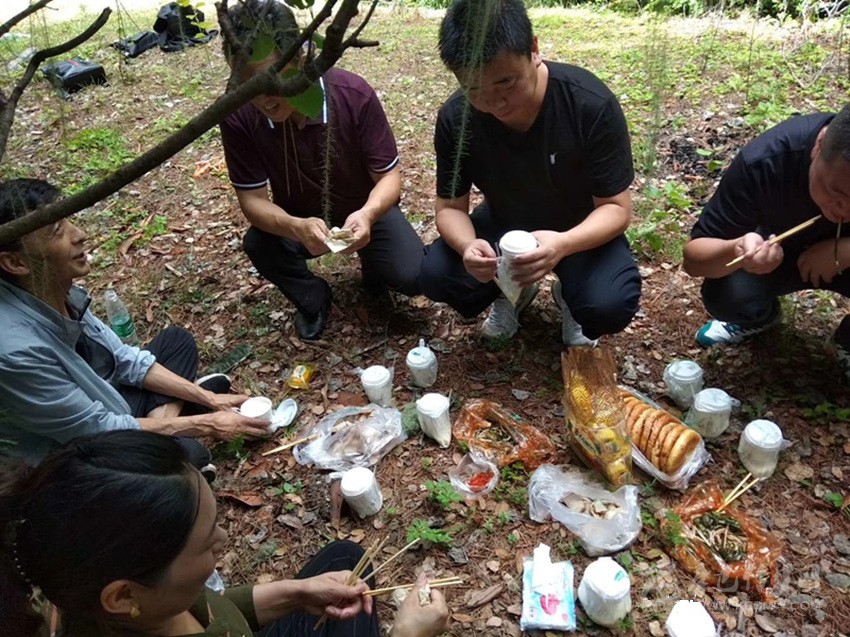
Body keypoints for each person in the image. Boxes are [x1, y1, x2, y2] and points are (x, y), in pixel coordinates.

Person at [0, 430, 450, 637]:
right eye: (205, 541)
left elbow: (209, 606)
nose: (222, 541)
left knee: (344, 558)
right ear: (122, 596)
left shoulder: (135, 598)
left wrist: (296, 595)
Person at [0, 179, 269, 469]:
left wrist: (211, 399)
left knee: (177, 342)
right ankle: (166, 435)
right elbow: (96, 430)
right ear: (16, 263)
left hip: (107, 398)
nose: (80, 235)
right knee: (191, 457)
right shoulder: (15, 352)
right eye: (58, 231)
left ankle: (162, 424)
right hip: (75, 451)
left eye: (68, 222)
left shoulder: (54, 290)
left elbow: (125, 359)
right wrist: (210, 424)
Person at [418, 0, 641, 345]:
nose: (494, 103)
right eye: (474, 89)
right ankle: (513, 293)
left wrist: (563, 244)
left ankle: (571, 296)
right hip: (504, 223)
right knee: (439, 274)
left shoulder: (589, 105)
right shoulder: (457, 118)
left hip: (579, 226)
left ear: (533, 49)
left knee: (608, 303)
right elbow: (449, 207)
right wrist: (468, 246)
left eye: (506, 83)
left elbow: (616, 207)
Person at [219, 0, 424, 341]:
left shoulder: (352, 95)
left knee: (411, 274)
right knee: (259, 244)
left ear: (301, 57)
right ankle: (313, 298)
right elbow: (251, 199)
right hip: (298, 217)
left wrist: (368, 214)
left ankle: (373, 266)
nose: (263, 97)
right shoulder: (238, 113)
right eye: (247, 82)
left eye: (273, 77)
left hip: (363, 208)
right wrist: (294, 226)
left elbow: (389, 176)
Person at [683, 105, 850, 381]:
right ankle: (760, 317)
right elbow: (693, 260)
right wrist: (736, 248)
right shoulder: (766, 160)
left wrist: (843, 251)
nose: (843, 211)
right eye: (836, 193)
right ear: (818, 146)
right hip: (773, 256)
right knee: (728, 293)